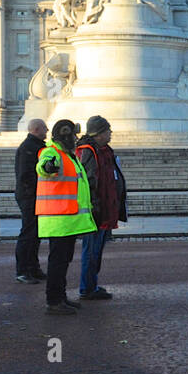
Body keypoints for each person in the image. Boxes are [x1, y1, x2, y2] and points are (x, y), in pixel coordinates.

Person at [36, 119, 98, 315]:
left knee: (63, 261)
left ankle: (60, 297)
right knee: (57, 262)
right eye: (73, 135)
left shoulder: (68, 155)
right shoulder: (52, 152)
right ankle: (53, 301)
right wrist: (48, 167)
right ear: (65, 135)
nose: (75, 138)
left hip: (67, 218)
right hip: (58, 219)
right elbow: (43, 166)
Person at [75, 116, 128, 300]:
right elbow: (90, 182)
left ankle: (92, 285)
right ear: (99, 133)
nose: (110, 133)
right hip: (96, 211)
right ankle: (87, 288)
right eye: (107, 130)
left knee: (96, 252)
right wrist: (95, 207)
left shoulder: (105, 150)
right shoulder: (90, 152)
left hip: (106, 209)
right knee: (91, 251)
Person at [14, 119, 48, 283]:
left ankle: (33, 267)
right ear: (36, 129)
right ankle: (22, 270)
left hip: (35, 195)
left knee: (35, 233)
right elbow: (26, 175)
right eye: (44, 128)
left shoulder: (36, 146)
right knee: (28, 233)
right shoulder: (28, 147)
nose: (47, 130)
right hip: (30, 196)